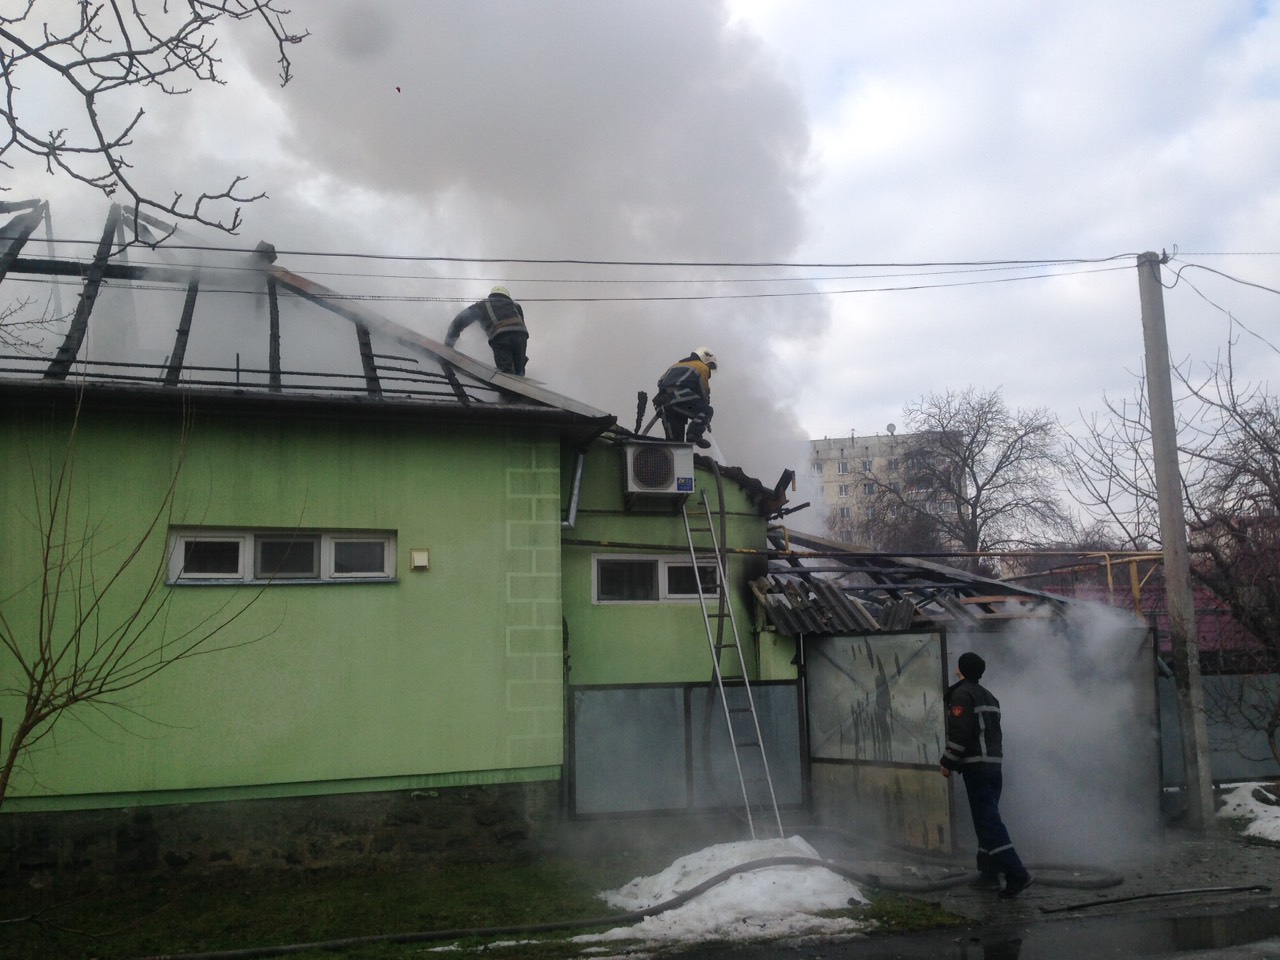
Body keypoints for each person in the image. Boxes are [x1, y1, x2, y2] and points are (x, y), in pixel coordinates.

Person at [940, 651, 1034, 899]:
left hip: (977, 768)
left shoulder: (962, 695)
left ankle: (1017, 874)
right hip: (993, 767)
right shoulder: (990, 696)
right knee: (986, 821)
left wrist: (947, 761)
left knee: (989, 823)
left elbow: (959, 733)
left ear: (961, 669)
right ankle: (989, 873)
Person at [444, 286, 529, 375]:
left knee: (507, 373)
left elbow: (459, 321)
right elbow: (521, 323)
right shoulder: (515, 305)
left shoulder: (482, 305)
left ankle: (508, 383)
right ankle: (521, 381)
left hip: (502, 337)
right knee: (519, 370)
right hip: (521, 336)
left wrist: (448, 345)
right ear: (507, 296)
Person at [653, 347, 716, 448]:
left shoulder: (674, 365)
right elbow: (704, 390)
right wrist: (705, 415)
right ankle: (694, 434)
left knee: (675, 444)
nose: (709, 368)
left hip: (663, 404)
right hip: (681, 399)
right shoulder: (701, 367)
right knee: (707, 410)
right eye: (710, 365)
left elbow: (660, 382)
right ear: (705, 359)